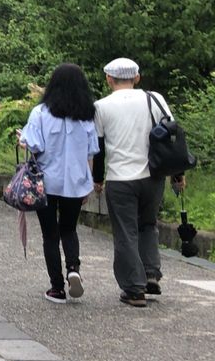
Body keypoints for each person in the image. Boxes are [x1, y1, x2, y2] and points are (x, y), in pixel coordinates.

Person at [93, 57, 185, 308]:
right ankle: (151, 273)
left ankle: (134, 289)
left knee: (125, 232)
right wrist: (177, 174)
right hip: (153, 177)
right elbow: (171, 136)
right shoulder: (154, 98)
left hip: (120, 179)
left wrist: (97, 179)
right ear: (137, 78)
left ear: (109, 79)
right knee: (148, 225)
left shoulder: (100, 106)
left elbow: (99, 149)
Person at [18, 63, 100, 304]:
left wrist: (22, 140)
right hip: (75, 183)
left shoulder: (40, 113)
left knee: (50, 235)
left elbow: (34, 145)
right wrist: (89, 184)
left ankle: (56, 288)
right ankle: (73, 268)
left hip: (45, 182)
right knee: (69, 229)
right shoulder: (86, 117)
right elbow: (91, 152)